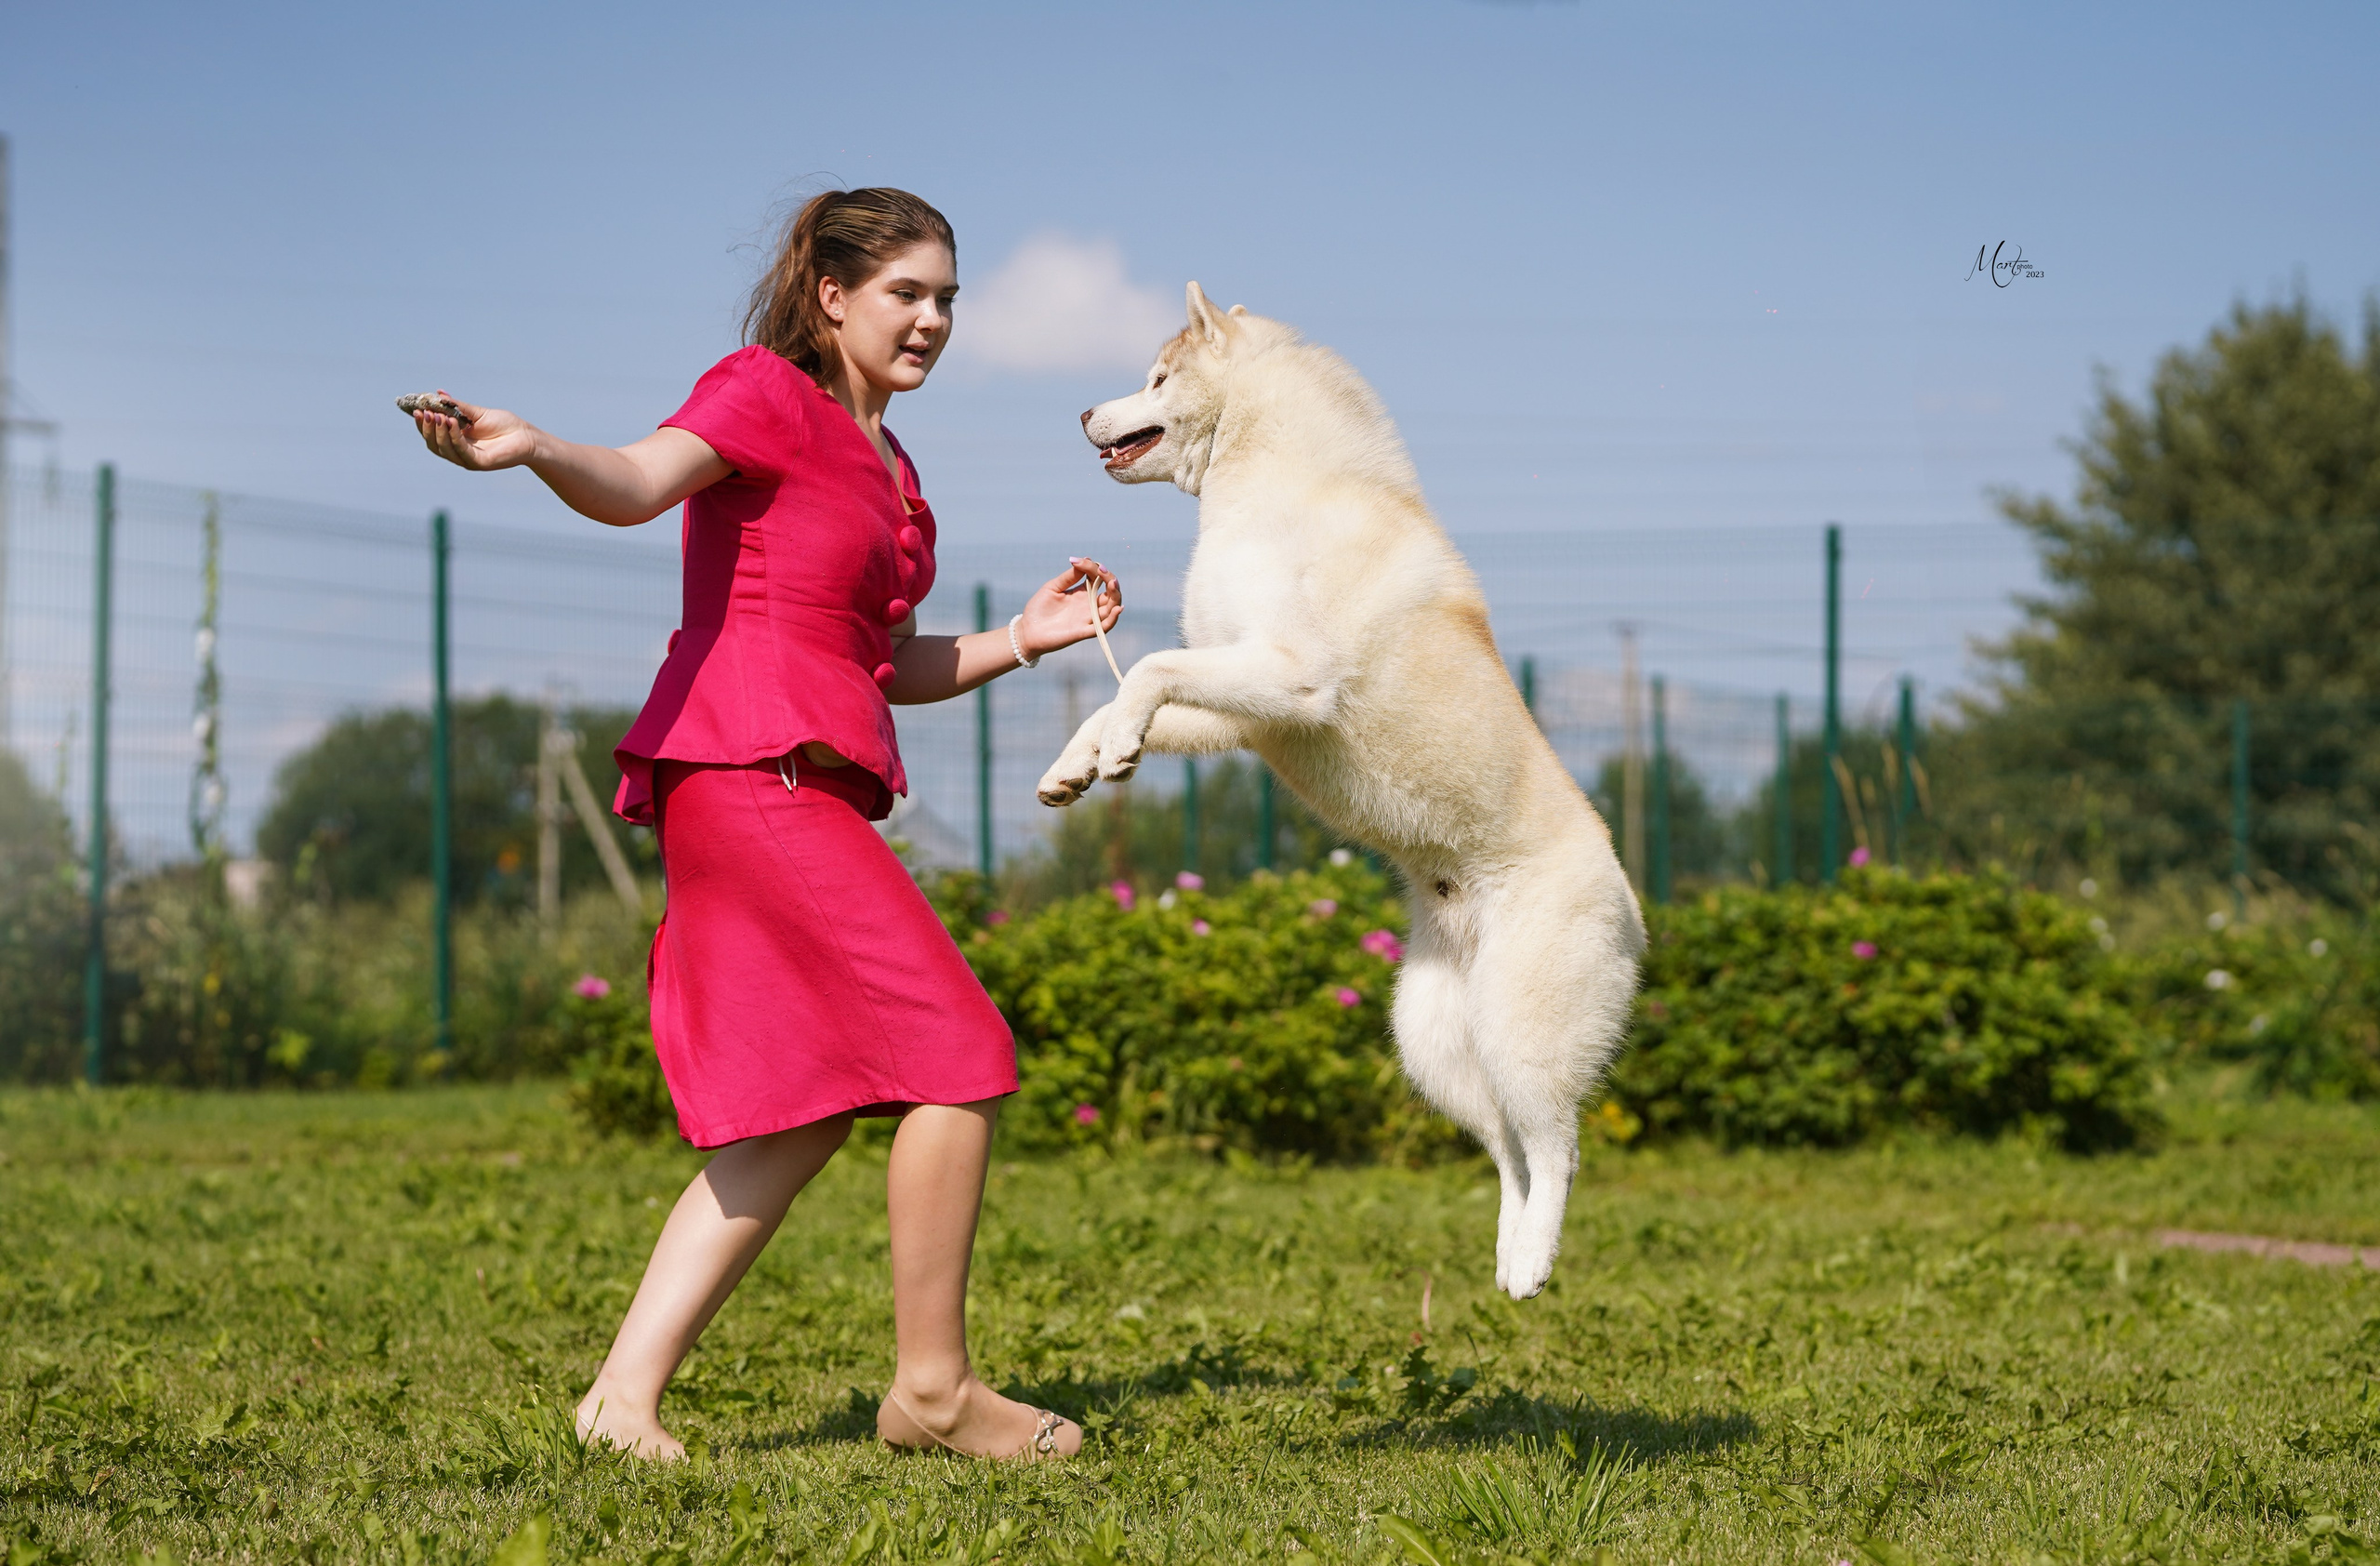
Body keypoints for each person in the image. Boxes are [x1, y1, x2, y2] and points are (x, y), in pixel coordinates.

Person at [407, 187, 1117, 1462]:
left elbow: (888, 663)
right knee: (961, 1056)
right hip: (750, 769)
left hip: (798, 783)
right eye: (906, 292)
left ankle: (619, 1403)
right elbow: (638, 482)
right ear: (831, 296)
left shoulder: (899, 478)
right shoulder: (763, 392)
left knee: (801, 1111)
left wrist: (1026, 636)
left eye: (948, 298)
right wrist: (537, 447)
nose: (933, 319)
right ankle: (935, 1393)